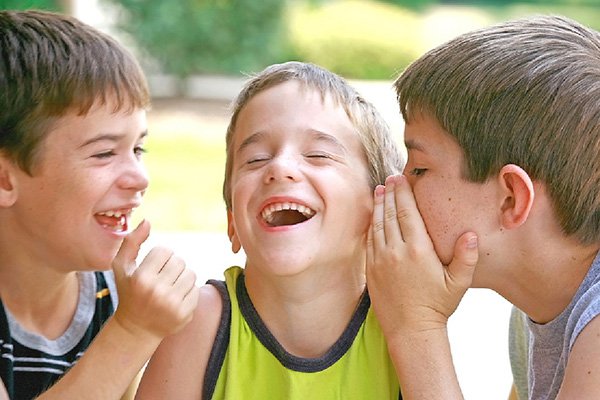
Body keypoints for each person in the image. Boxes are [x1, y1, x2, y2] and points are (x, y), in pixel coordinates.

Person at [135, 61, 405, 399]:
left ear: (380, 209)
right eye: (256, 159)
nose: (280, 166)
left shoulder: (404, 325)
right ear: (232, 221)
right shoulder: (200, 325)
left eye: (318, 155)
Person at [366, 14, 600, 399]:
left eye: (419, 168)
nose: (396, 185)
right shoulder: (537, 309)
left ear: (511, 198)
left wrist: (416, 327)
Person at [0, 10, 199, 400]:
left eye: (138, 148)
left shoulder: (112, 296)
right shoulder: (129, 320)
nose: (140, 178)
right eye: (105, 153)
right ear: (5, 180)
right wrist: (133, 331)